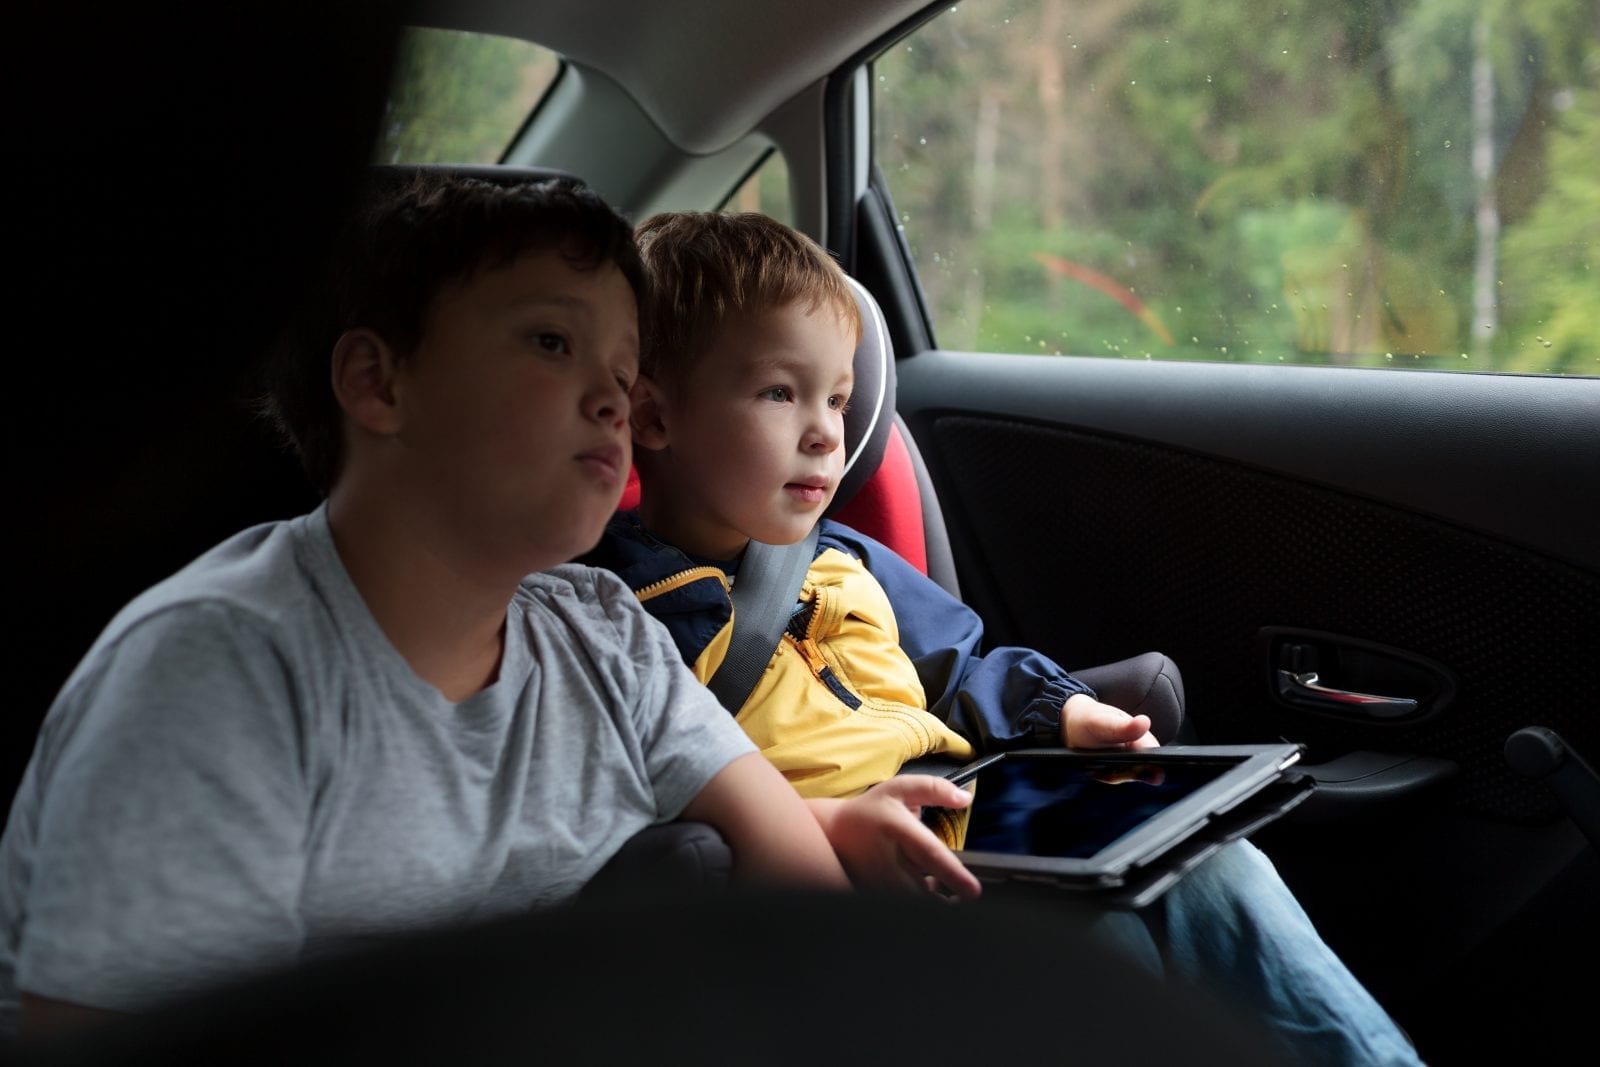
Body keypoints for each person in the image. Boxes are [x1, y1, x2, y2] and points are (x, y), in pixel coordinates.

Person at [0, 175, 850, 1043]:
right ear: (378, 383)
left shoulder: (608, 634)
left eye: (624, 373)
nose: (611, 401)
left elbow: (817, 926)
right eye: (553, 342)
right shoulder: (219, 669)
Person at [583, 209, 1425, 1067]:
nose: (825, 430)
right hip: (845, 874)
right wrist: (825, 826)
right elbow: (638, 806)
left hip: (982, 812)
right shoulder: (618, 613)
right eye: (778, 393)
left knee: (1222, 866)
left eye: (837, 396)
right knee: (1106, 947)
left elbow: (962, 670)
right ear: (652, 417)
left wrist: (1062, 713)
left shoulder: (845, 558)